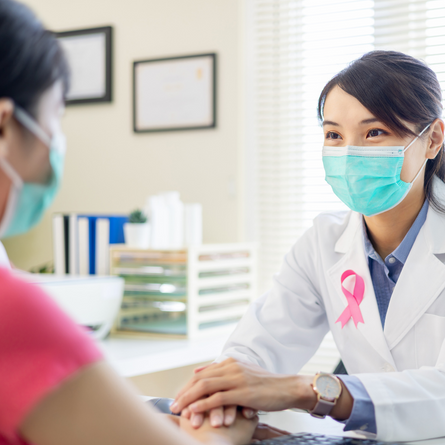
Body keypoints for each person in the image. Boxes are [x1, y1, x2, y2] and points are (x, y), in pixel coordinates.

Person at [0, 1, 272, 444]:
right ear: (6, 127)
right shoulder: (13, 311)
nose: (57, 144)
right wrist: (228, 432)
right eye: (56, 118)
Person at [172, 50, 445, 443]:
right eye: (334, 135)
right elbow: (254, 351)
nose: (349, 152)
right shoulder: (323, 242)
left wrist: (307, 390)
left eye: (374, 132)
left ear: (432, 139)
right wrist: (225, 401)